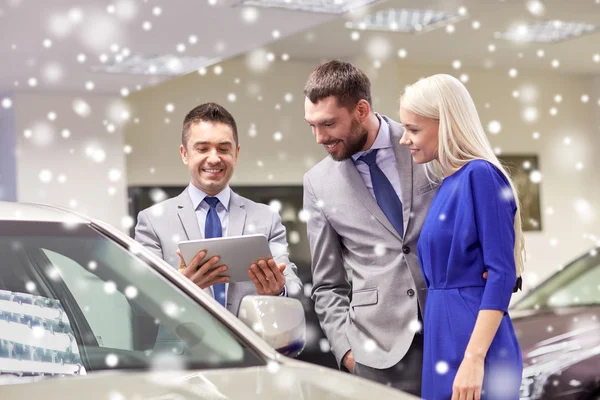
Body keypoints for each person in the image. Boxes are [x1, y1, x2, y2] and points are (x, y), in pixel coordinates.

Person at [302, 60, 438, 396]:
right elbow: (326, 283)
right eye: (312, 126)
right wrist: (346, 352)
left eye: (328, 124)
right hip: (377, 354)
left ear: (361, 109)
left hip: (449, 327)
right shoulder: (317, 183)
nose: (320, 137)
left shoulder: (424, 143)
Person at [398, 74, 524, 400]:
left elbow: (502, 271)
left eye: (413, 129)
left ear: (447, 124)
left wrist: (473, 359)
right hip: (444, 333)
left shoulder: (480, 175)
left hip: (472, 342)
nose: (404, 139)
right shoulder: (448, 184)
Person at [135, 102, 302, 316]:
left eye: (224, 149)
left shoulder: (266, 219)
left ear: (236, 153)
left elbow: (294, 288)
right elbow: (141, 300)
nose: (214, 158)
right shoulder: (152, 221)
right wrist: (179, 290)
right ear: (184, 154)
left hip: (251, 346)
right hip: (184, 347)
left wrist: (279, 291)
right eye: (202, 148)